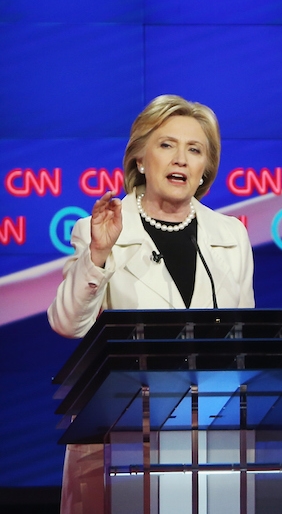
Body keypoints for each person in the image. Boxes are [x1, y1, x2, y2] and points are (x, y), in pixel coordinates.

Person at [48, 94, 255, 514]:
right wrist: (99, 256)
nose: (180, 159)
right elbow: (68, 323)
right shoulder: (100, 229)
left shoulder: (230, 235)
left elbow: (244, 343)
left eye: (194, 150)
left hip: (209, 438)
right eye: (166, 145)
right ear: (141, 159)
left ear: (204, 170)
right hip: (119, 437)